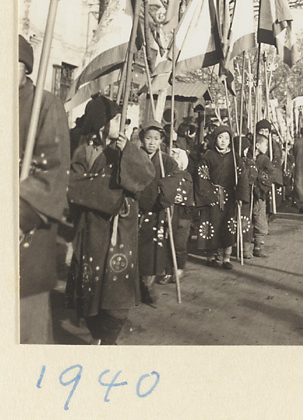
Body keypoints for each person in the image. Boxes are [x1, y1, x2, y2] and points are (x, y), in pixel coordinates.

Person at [66, 95, 155, 345]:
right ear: (102, 124)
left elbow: (146, 177)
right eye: (116, 119)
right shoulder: (84, 151)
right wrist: (114, 191)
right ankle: (98, 334)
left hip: (121, 231)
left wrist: (128, 154)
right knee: (93, 288)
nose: (122, 123)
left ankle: (109, 336)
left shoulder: (126, 149)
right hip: (93, 229)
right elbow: (75, 187)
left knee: (118, 290)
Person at [18, 35, 71, 343]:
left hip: (26, 231)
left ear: (25, 67)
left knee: (27, 330)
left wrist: (18, 215)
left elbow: (53, 170)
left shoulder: (46, 105)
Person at [137, 120, 194, 303]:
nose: (152, 142)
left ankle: (148, 283)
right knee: (135, 249)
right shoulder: (135, 157)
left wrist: (163, 190)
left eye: (156, 138)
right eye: (148, 138)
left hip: (157, 211)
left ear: (161, 140)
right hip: (136, 210)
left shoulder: (167, 161)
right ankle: (136, 285)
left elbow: (176, 178)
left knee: (153, 250)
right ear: (141, 139)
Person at [194, 125, 248, 270]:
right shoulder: (208, 156)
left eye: (226, 138)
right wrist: (208, 195)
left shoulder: (235, 158)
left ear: (230, 140)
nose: (223, 141)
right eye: (220, 137)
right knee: (212, 225)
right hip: (212, 195)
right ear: (215, 139)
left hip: (229, 196)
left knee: (228, 226)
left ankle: (226, 257)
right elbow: (202, 176)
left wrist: (240, 196)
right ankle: (211, 256)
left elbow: (242, 177)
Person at [245, 134, 274, 258]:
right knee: (247, 220)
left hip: (259, 193)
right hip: (248, 192)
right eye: (265, 145)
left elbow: (269, 174)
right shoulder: (248, 157)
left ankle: (258, 246)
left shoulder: (265, 159)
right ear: (257, 145)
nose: (267, 147)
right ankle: (245, 248)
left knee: (260, 219)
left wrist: (259, 180)